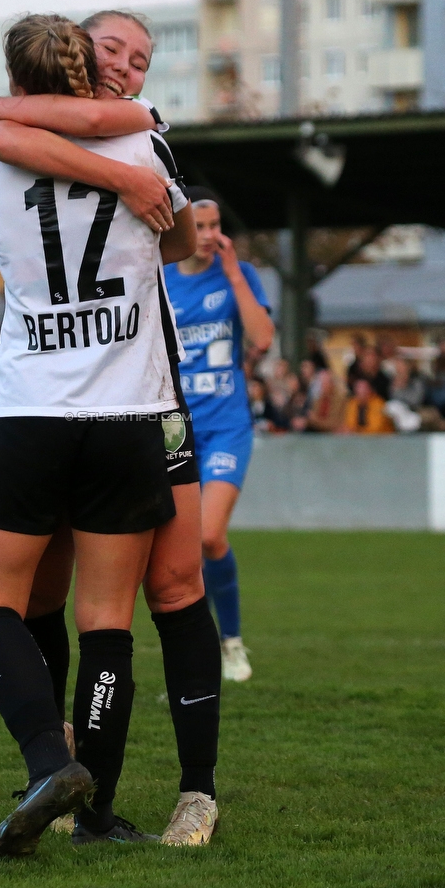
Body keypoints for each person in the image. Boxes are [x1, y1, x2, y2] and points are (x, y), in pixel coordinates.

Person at [0, 10, 223, 847]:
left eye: (142, 59)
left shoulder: (0, 139)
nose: (128, 67)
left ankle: (160, 784)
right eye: (113, 49)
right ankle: (94, 804)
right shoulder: (143, 148)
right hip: (133, 417)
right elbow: (178, 234)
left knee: (171, 587)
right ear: (81, 59)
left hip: (75, 411)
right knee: (99, 613)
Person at [163, 189, 274, 682]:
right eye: (200, 226)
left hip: (227, 425)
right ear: (178, 229)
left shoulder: (240, 276)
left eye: (215, 225)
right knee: (177, 553)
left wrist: (233, 275)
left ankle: (230, 642)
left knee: (209, 536)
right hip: (172, 428)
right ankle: (199, 656)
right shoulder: (159, 279)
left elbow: (263, 338)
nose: (210, 236)